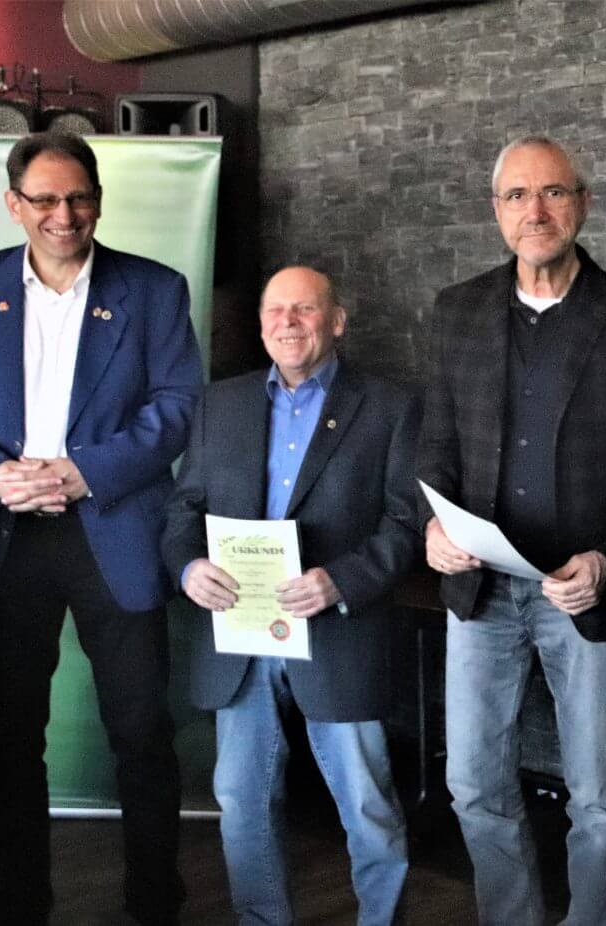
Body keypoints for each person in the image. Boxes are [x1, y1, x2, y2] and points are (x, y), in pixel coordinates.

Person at [0, 131, 200, 924]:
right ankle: (22, 904)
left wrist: (84, 471)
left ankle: (155, 903)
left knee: (142, 734)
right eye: (44, 199)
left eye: (78, 198)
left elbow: (177, 405)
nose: (63, 215)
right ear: (14, 205)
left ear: (98, 200)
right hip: (6, 539)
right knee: (9, 740)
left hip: (115, 529)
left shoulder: (154, 289)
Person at [417, 135, 606, 926]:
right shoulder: (456, 311)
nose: (535, 211)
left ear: (583, 204)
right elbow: (435, 444)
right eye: (517, 195)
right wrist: (433, 525)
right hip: (480, 587)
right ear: (496, 211)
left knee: (599, 797)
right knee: (473, 784)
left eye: (554, 192)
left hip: (582, 594)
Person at [162, 266, 420, 924]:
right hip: (241, 633)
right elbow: (183, 509)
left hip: (338, 630)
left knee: (366, 805)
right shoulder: (220, 404)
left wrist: (343, 580)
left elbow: (406, 523)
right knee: (242, 802)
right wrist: (189, 568)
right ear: (260, 325)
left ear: (337, 321)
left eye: (304, 309)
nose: (288, 322)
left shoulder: (390, 407)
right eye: (276, 310)